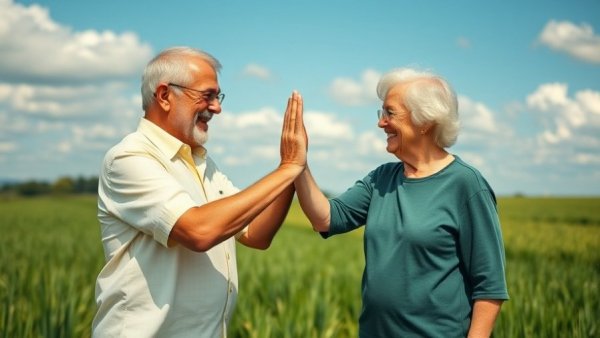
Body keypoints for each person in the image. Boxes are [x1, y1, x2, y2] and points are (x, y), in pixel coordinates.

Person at [92, 47, 306, 337]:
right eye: (207, 95)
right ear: (165, 95)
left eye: (218, 96)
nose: (216, 107)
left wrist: (291, 170)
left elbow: (256, 234)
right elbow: (199, 231)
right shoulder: (129, 158)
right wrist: (287, 170)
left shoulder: (202, 163)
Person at [294, 68, 509, 337]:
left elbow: (489, 287)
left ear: (425, 121)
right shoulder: (381, 178)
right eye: (381, 113)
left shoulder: (466, 185)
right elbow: (325, 218)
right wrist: (298, 163)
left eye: (390, 113)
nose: (381, 123)